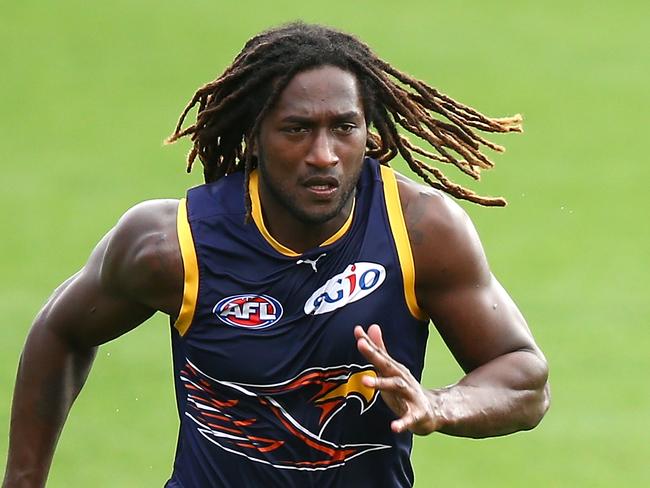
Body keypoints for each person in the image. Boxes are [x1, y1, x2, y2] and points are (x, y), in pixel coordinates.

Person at [3, 22, 550, 488]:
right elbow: (62, 331)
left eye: (344, 127)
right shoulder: (172, 245)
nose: (323, 155)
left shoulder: (420, 232)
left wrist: (439, 405)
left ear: (369, 130)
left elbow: (525, 378)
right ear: (255, 136)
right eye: (297, 129)